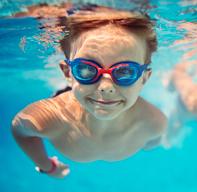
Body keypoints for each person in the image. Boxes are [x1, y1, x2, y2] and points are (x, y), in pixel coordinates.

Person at [11, 4, 167, 179]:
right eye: (86, 69)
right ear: (68, 73)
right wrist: (46, 166)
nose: (106, 87)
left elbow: (155, 140)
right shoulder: (48, 119)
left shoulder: (154, 123)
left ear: (144, 78)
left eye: (125, 71)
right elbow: (19, 130)